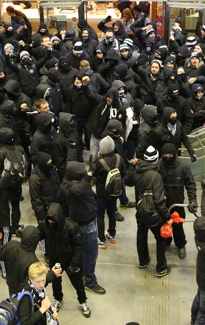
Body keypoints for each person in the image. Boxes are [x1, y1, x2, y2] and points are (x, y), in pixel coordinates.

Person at [125, 146, 172, 278]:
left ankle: (143, 261)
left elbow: (127, 182)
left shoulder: (136, 171)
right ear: (156, 160)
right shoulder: (155, 176)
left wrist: (133, 166)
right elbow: (158, 200)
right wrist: (167, 217)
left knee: (141, 235)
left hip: (140, 210)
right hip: (153, 213)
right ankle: (161, 268)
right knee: (161, 239)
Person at [38, 203, 90, 318]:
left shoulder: (71, 227)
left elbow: (79, 246)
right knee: (56, 283)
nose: (51, 223)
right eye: (49, 221)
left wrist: (74, 264)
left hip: (71, 260)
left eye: (53, 221)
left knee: (78, 283)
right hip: (55, 260)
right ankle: (58, 299)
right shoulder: (44, 225)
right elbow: (38, 235)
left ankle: (82, 301)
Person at [61, 161, 105, 295]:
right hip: (86, 224)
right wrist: (90, 173)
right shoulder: (72, 187)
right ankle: (90, 282)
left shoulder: (71, 181)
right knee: (90, 254)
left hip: (83, 220)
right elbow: (80, 190)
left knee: (81, 250)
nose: (85, 173)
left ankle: (81, 274)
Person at [0, 226, 61, 296]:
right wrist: (52, 274)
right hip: (25, 293)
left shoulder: (12, 245)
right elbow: (37, 283)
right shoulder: (33, 262)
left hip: (12, 286)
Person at [158, 143, 197, 259]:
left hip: (177, 203)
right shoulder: (158, 166)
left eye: (170, 155)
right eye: (165, 155)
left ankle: (181, 245)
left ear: (174, 155)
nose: (167, 158)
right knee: (163, 224)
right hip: (163, 203)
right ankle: (166, 241)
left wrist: (192, 200)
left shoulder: (183, 167)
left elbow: (190, 184)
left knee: (178, 225)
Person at [94, 135, 127, 248]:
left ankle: (101, 240)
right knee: (112, 213)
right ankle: (111, 234)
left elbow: (93, 174)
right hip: (115, 193)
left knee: (100, 215)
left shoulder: (100, 162)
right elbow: (124, 172)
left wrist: (97, 159)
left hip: (102, 194)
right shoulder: (119, 158)